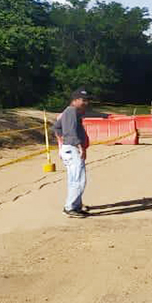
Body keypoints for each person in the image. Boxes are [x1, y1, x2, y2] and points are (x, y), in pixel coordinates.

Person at [53, 88, 92, 218]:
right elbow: (70, 132)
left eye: (87, 100)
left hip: (69, 148)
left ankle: (75, 206)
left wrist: (60, 141)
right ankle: (70, 207)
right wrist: (81, 147)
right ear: (75, 100)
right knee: (79, 179)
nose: (85, 103)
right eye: (83, 100)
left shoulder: (70, 112)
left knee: (74, 179)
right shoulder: (71, 111)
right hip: (73, 148)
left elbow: (57, 127)